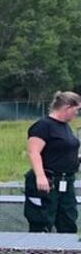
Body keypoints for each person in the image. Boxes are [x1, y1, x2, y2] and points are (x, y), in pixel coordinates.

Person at [25, 91, 81, 233]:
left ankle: (67, 247)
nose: (77, 113)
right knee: (42, 222)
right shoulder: (43, 126)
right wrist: (40, 176)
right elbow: (33, 152)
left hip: (65, 181)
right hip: (48, 181)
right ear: (67, 107)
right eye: (76, 110)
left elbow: (63, 151)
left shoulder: (65, 127)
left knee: (68, 221)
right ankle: (38, 248)